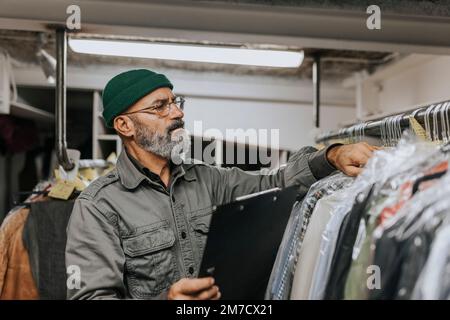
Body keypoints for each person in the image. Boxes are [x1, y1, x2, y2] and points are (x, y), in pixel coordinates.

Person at [66, 69, 378, 300]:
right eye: (160, 106)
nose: (177, 113)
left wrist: (333, 155)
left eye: (176, 102)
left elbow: (277, 183)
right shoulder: (98, 206)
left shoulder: (209, 180)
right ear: (124, 125)